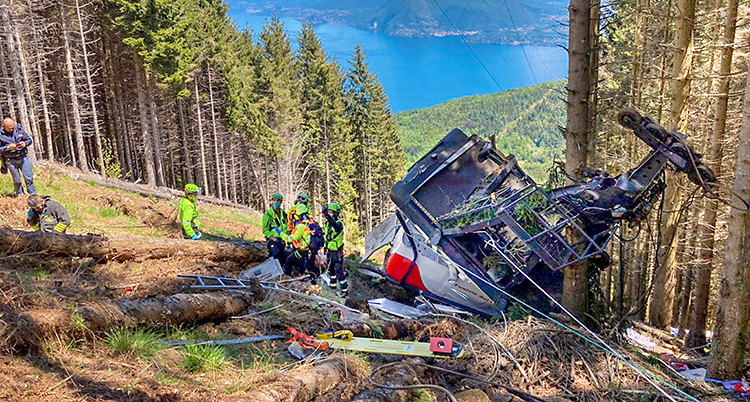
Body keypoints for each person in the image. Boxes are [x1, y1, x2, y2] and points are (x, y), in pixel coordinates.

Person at [277, 203, 317, 279]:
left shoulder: (301, 226)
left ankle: (286, 278)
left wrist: (280, 232)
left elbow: (289, 238)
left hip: (302, 250)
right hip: (309, 250)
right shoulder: (311, 223)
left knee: (288, 261)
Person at [0, 118, 35, 196]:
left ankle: (32, 195)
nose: (12, 129)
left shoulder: (19, 130)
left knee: (29, 178)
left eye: (13, 127)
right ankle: (20, 195)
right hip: (10, 159)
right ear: (4, 127)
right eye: (10, 128)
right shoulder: (0, 135)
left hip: (23, 157)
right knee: (17, 180)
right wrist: (7, 148)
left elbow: (29, 140)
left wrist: (25, 143)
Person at [323, 202, 346, 294]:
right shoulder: (327, 223)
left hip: (337, 250)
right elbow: (327, 236)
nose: (330, 213)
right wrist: (325, 247)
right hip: (330, 249)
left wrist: (327, 216)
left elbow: (336, 227)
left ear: (336, 213)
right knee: (331, 269)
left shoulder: (339, 223)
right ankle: (333, 287)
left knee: (338, 270)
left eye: (332, 212)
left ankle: (344, 290)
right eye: (329, 211)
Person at [262, 193, 288, 265]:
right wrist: (274, 239)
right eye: (275, 200)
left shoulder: (283, 213)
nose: (276, 202)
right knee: (275, 254)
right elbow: (265, 229)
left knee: (282, 257)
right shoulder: (268, 214)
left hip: (282, 239)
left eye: (278, 201)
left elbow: (286, 225)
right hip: (273, 239)